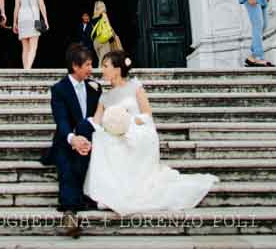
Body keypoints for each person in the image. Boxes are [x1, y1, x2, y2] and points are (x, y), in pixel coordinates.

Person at [84, 50, 218, 214]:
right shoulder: (104, 97)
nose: (102, 70)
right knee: (100, 137)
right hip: (115, 134)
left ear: (117, 69)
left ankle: (129, 190)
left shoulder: (135, 87)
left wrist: (127, 122)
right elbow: (97, 121)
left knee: (126, 139)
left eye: (105, 66)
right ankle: (109, 191)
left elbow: (146, 114)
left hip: (137, 130)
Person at [41, 43, 102, 238]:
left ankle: (70, 213)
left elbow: (99, 117)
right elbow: (61, 120)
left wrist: (85, 141)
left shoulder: (95, 87)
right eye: (88, 65)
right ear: (75, 66)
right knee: (67, 166)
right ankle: (70, 212)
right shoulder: (59, 89)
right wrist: (72, 139)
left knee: (80, 159)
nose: (91, 69)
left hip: (89, 142)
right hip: (65, 141)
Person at [13, 0, 49, 70]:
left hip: (22, 18)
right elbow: (41, 4)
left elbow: (16, 6)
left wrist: (14, 22)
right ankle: (28, 68)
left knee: (25, 48)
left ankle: (25, 69)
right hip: (34, 19)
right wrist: (45, 19)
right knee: (33, 47)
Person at [91, 0, 122, 66]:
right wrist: (113, 37)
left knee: (100, 58)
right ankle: (101, 75)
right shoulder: (104, 15)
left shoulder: (93, 18)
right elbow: (108, 27)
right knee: (105, 59)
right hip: (104, 40)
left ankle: (100, 74)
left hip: (96, 42)